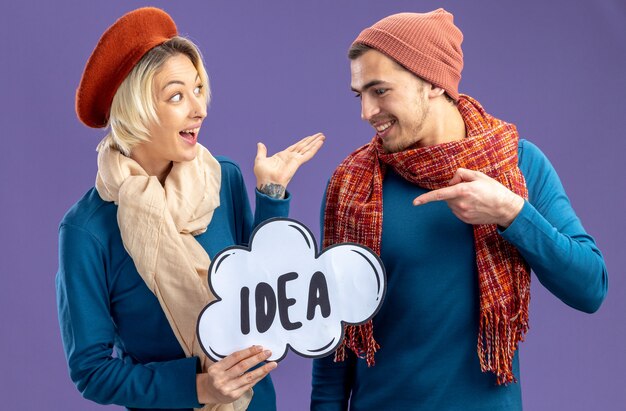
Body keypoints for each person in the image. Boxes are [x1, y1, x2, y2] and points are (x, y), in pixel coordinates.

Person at [311, 9, 607, 411]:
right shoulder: (353, 186)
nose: (366, 112)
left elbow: (590, 288)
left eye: (380, 91)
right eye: (359, 94)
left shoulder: (516, 165)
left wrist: (512, 213)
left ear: (432, 82)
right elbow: (335, 338)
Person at [55, 7, 324, 411]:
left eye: (198, 89)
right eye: (177, 96)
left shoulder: (224, 179)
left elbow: (262, 294)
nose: (199, 109)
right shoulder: (87, 229)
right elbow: (92, 371)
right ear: (135, 112)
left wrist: (271, 194)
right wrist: (200, 388)